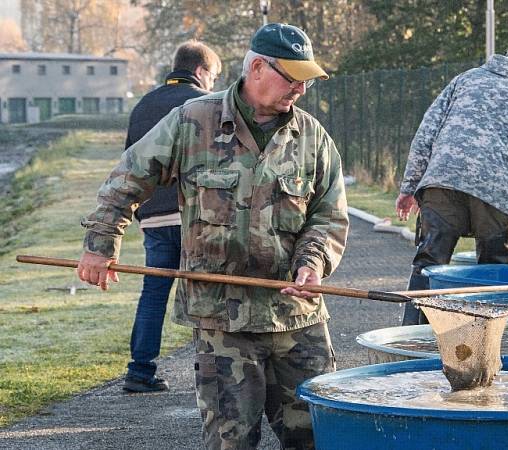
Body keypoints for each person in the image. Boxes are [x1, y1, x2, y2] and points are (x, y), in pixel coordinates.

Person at [77, 23, 348, 450]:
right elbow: (126, 179)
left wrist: (313, 262)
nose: (300, 89)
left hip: (296, 318)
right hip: (222, 321)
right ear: (257, 67)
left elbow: (329, 215)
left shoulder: (312, 137)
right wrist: (100, 244)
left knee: (319, 436)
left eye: (306, 80)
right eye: (292, 77)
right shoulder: (192, 121)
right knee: (230, 442)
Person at [395, 53, 508, 325]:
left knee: (429, 263)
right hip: (498, 191)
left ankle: (410, 340)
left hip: (442, 180)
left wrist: (409, 187)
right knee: (493, 273)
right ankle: (482, 346)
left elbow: (425, 133)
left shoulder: (464, 80)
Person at [122, 40, 221, 394]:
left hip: (153, 218)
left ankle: (139, 370)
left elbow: (131, 166)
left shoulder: (142, 106)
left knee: (153, 294)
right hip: (195, 215)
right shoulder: (204, 104)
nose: (212, 84)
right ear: (200, 71)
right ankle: (210, 372)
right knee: (206, 294)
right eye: (213, 76)